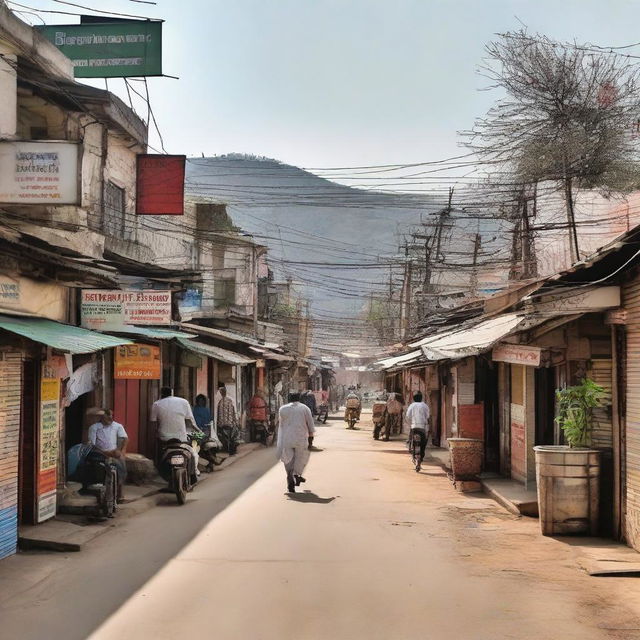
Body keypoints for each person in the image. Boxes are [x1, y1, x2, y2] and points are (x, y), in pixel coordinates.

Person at [151, 387, 199, 479]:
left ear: (161, 394)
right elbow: (190, 421)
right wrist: (198, 430)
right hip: (181, 439)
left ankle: (161, 474)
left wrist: (155, 435)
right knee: (191, 454)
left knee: (159, 458)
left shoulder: (156, 404)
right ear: (172, 393)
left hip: (164, 439)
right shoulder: (184, 402)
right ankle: (192, 476)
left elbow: (153, 423)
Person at [277, 392, 316, 493]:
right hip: (300, 438)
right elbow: (310, 424)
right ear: (299, 398)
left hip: (286, 438)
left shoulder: (282, 409)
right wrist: (311, 438)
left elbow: (280, 424)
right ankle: (296, 475)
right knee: (300, 458)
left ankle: (290, 476)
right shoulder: (305, 408)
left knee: (288, 459)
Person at [87, 409, 128, 500]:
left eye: (111, 415)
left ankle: (120, 492)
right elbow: (92, 445)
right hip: (100, 452)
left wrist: (122, 451)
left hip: (115, 451)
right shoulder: (94, 427)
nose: (110, 418)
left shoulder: (117, 426)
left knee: (121, 466)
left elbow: (124, 439)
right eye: (107, 415)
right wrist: (105, 452)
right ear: (101, 417)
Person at [405, 392, 431, 463]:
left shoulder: (412, 405)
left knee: (411, 439)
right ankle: (421, 456)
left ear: (413, 399)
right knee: (424, 441)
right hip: (423, 427)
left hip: (414, 426)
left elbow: (408, 416)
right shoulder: (425, 406)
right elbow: (428, 416)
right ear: (421, 398)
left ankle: (411, 450)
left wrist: (411, 421)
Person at [217, 385, 240, 454]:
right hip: (223, 423)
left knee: (231, 437)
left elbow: (234, 411)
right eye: (221, 391)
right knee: (226, 438)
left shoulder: (230, 400)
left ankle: (231, 450)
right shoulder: (219, 401)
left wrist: (236, 421)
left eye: (222, 391)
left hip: (230, 423)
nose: (222, 392)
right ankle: (229, 450)